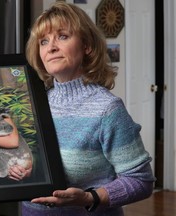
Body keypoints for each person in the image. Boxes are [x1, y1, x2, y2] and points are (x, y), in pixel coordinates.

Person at [21, 2, 155, 216]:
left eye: (62, 36)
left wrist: (90, 197)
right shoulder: (34, 105)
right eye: (44, 41)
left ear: (87, 46)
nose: (51, 47)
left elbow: (141, 181)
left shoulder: (107, 109)